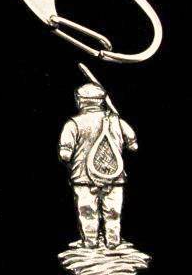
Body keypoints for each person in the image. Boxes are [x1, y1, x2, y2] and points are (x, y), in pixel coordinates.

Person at [59, 71, 138, 250]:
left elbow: (64, 154)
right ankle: (113, 242)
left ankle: (90, 243)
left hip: (83, 178)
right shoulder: (117, 121)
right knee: (113, 212)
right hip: (114, 176)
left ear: (80, 101)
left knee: (87, 212)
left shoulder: (73, 124)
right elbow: (134, 146)